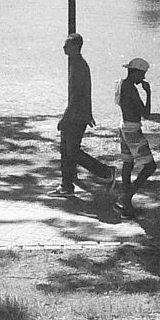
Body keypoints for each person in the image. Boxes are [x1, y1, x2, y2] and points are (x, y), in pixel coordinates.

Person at [49, 33, 114, 197]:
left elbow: (77, 96)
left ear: (76, 47)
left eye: (67, 45)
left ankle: (105, 172)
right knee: (66, 150)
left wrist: (65, 118)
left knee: (71, 151)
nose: (64, 48)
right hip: (78, 114)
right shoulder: (77, 64)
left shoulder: (78, 66)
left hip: (75, 116)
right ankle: (67, 185)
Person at [113, 57, 157, 217]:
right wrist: (149, 93)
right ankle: (126, 197)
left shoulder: (120, 84)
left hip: (123, 125)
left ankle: (126, 204)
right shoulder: (131, 89)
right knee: (150, 166)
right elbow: (146, 114)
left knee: (128, 163)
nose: (143, 78)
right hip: (132, 129)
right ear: (136, 72)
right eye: (142, 74)